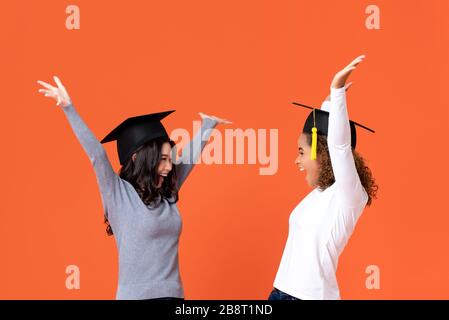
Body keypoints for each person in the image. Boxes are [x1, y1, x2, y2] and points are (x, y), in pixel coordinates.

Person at [37, 76, 231, 300]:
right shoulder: (118, 194)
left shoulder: (166, 194)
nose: (169, 167)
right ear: (141, 158)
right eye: (163, 159)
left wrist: (208, 125)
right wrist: (69, 108)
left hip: (174, 297)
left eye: (170, 159)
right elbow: (97, 155)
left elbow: (188, 159)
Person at [269, 55, 378, 300]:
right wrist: (328, 105)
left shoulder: (349, 195)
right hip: (279, 293)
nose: (296, 160)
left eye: (301, 152)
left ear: (322, 152)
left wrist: (337, 91)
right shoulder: (320, 194)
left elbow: (339, 147)